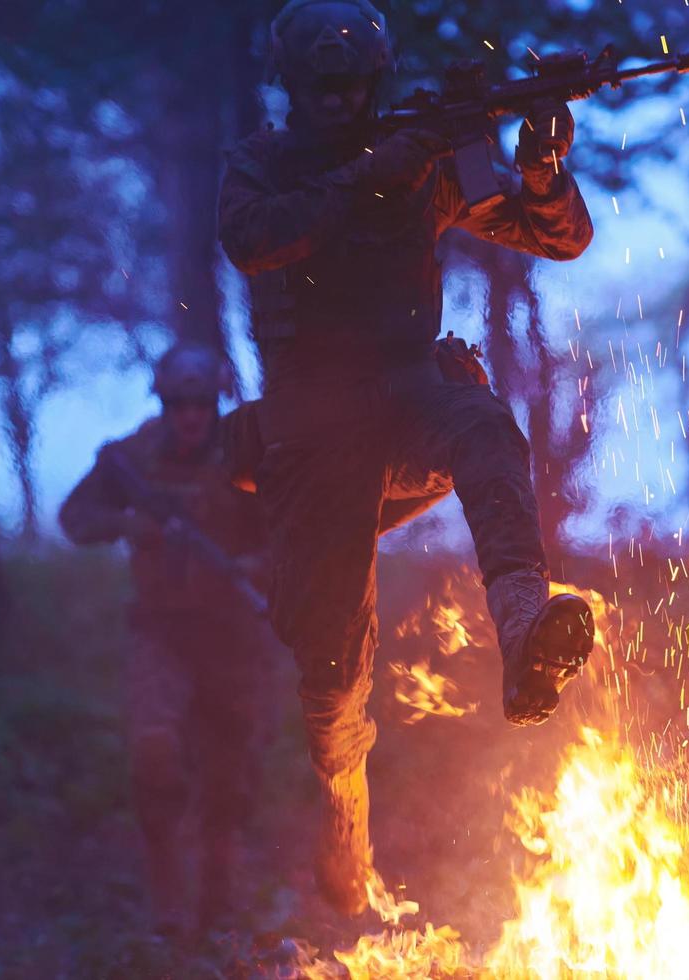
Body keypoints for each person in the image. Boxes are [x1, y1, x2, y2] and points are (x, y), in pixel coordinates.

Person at [217, 0, 597, 916]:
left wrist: (540, 170)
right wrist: (374, 170)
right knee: (331, 670)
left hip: (405, 396)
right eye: (325, 86)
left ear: (378, 80)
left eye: (358, 84)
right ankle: (346, 820)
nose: (344, 99)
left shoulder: (419, 160)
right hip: (310, 432)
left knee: (484, 427)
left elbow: (558, 240)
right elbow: (253, 241)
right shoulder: (263, 164)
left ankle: (521, 625)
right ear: (295, 88)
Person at [59, 342, 277, 935]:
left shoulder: (244, 457)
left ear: (214, 405)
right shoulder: (131, 458)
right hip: (159, 635)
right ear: (165, 403)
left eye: (200, 404)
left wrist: (260, 562)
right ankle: (169, 913)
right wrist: (131, 523)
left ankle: (218, 910)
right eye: (179, 404)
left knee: (229, 781)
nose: (190, 417)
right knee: (154, 752)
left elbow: (287, 530)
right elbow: (74, 517)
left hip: (231, 639)